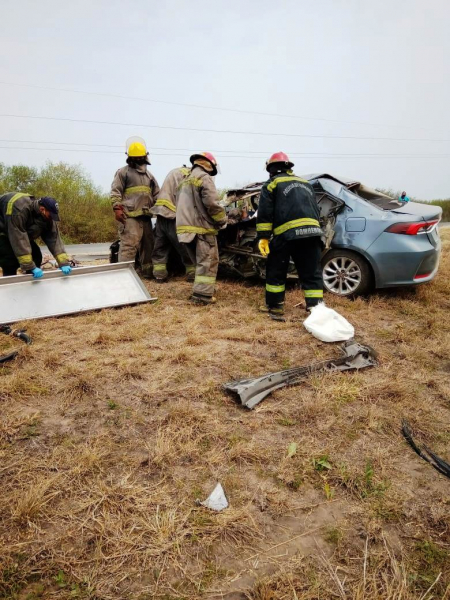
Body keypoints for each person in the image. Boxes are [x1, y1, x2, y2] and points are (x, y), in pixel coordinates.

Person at [256, 152, 324, 315]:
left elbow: (265, 212)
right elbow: (315, 208)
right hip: (313, 233)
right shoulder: (305, 183)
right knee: (312, 273)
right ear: (288, 167)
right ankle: (316, 309)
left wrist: (263, 237)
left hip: (287, 235)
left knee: (276, 270)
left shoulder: (272, 184)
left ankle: (275, 306)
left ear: (271, 169)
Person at [176, 152, 227, 304]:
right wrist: (223, 220)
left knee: (199, 263)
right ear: (209, 165)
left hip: (184, 230)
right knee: (208, 261)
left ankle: (202, 289)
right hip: (201, 229)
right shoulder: (204, 178)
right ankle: (202, 296)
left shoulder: (184, 181)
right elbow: (212, 204)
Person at [110, 138, 160, 278]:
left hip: (145, 217)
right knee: (128, 247)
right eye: (135, 157)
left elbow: (157, 195)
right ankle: (124, 276)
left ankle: (147, 273)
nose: (138, 159)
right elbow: (116, 191)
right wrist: (117, 208)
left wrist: (161, 209)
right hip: (130, 217)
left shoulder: (149, 176)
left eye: (140, 157)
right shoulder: (123, 173)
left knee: (148, 247)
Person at [0, 193, 72, 277]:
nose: (52, 218)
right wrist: (29, 266)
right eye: (51, 215)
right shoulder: (20, 210)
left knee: (36, 256)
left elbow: (54, 238)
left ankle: (32, 285)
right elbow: (18, 237)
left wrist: (63, 262)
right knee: (9, 259)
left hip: (16, 232)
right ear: (42, 209)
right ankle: (10, 284)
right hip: (3, 231)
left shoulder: (47, 216)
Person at [151, 165, 195, 282]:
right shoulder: (189, 176)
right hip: (173, 217)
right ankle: (192, 274)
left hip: (161, 215)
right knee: (185, 247)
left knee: (160, 247)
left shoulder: (175, 172)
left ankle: (159, 275)